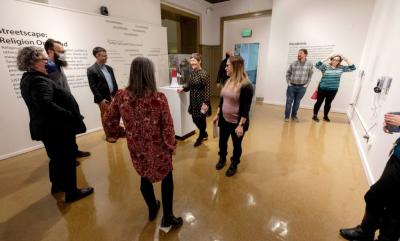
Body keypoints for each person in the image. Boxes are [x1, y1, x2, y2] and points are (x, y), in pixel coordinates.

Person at [105, 57, 182, 232]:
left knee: (144, 176)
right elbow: (167, 125)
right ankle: (168, 217)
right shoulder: (158, 97)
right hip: (159, 147)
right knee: (167, 178)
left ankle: (153, 208)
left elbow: (109, 120)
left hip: (137, 147)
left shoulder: (120, 96)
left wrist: (122, 134)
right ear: (149, 74)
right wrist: (171, 145)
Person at [18, 46, 94, 203]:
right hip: (57, 128)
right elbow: (46, 105)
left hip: (48, 129)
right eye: (44, 59)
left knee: (56, 158)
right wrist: (69, 115)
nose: (47, 62)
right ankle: (72, 193)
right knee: (66, 159)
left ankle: (57, 186)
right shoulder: (38, 80)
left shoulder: (28, 78)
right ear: (33, 62)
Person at [339, 112, 400, 241]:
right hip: (397, 158)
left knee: (394, 209)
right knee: (376, 198)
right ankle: (365, 232)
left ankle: (375, 235)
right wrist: (395, 124)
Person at [44, 38, 90, 163]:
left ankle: (74, 152)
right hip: (59, 105)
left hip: (67, 102)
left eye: (64, 51)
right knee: (63, 134)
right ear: (50, 51)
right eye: (60, 51)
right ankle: (68, 157)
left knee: (71, 131)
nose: (63, 54)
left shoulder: (58, 65)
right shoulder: (48, 67)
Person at [212, 55, 254, 177]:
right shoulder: (227, 81)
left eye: (227, 66)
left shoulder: (246, 86)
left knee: (236, 145)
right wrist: (217, 114)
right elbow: (222, 100)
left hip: (237, 122)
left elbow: (246, 108)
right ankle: (222, 158)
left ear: (235, 67)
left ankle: (234, 163)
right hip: (224, 119)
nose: (225, 68)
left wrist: (241, 125)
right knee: (222, 142)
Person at [87, 46, 124, 142]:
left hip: (113, 96)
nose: (106, 57)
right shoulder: (91, 70)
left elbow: (113, 82)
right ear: (97, 56)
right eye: (103, 56)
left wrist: (117, 95)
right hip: (103, 99)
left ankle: (117, 132)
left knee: (115, 116)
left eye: (106, 55)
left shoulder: (109, 68)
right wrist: (101, 99)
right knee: (106, 117)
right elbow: (93, 87)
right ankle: (109, 135)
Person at [177, 53, 211, 147]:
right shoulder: (192, 73)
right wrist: (183, 88)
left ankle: (201, 136)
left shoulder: (204, 74)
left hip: (202, 100)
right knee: (195, 119)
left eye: (194, 61)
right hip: (193, 100)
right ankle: (204, 133)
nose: (192, 63)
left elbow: (207, 89)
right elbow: (189, 85)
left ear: (199, 61)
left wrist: (206, 103)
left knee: (201, 119)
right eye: (191, 62)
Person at [312, 54, 356, 122]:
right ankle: (315, 115)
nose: (335, 61)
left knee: (328, 103)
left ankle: (325, 116)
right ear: (331, 60)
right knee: (319, 102)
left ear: (339, 61)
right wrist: (327, 57)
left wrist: (345, 59)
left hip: (333, 90)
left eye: (337, 60)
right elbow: (317, 65)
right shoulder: (325, 67)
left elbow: (353, 68)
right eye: (334, 59)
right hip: (322, 88)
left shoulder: (341, 68)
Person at [284, 48, 314, 122]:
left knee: (297, 102)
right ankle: (287, 116)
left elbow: (310, 75)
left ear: (305, 55)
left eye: (301, 53)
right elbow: (288, 73)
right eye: (298, 53)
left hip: (302, 87)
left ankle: (294, 116)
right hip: (292, 86)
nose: (299, 54)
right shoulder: (293, 63)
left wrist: (306, 85)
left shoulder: (309, 64)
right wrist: (288, 83)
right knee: (289, 102)